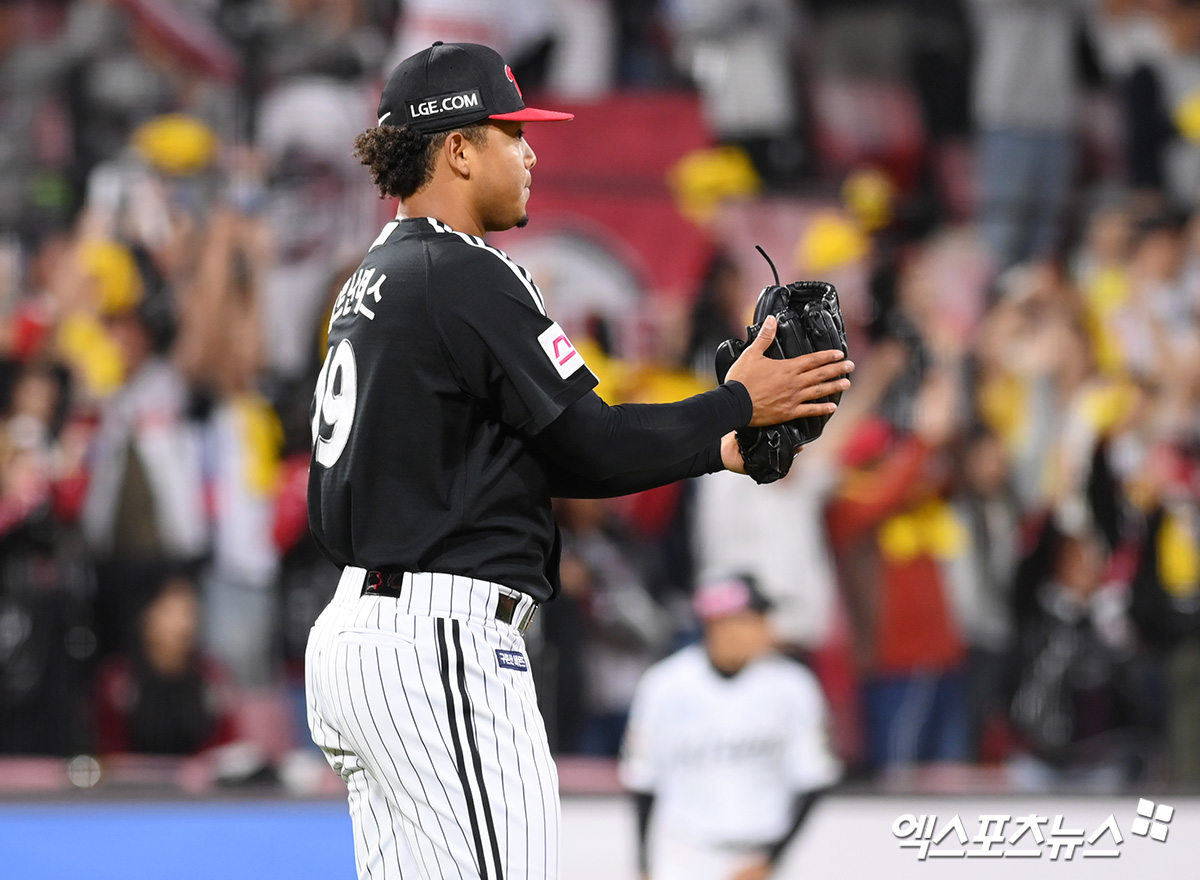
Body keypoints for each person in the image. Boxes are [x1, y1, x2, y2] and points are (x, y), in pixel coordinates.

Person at [303, 41, 855, 880]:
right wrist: (741, 401)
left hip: (366, 634)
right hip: (439, 642)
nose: (530, 152)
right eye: (510, 133)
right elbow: (592, 439)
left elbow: (554, 458)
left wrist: (717, 445)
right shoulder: (463, 272)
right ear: (457, 147)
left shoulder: (377, 275)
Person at [619, 575, 842, 880]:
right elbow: (642, 781)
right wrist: (644, 865)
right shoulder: (664, 684)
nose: (767, 629)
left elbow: (814, 780)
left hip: (762, 852)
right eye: (754, 619)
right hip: (684, 854)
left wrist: (772, 859)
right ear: (718, 623)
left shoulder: (794, 686)